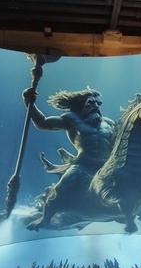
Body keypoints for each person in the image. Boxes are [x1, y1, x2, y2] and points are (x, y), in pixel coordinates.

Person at [22, 86, 116, 229]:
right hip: (83, 166)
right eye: (91, 103)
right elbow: (43, 123)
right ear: (81, 105)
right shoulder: (71, 120)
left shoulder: (109, 123)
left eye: (99, 103)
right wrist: (29, 102)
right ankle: (45, 218)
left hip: (106, 167)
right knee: (62, 187)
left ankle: (135, 210)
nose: (96, 106)